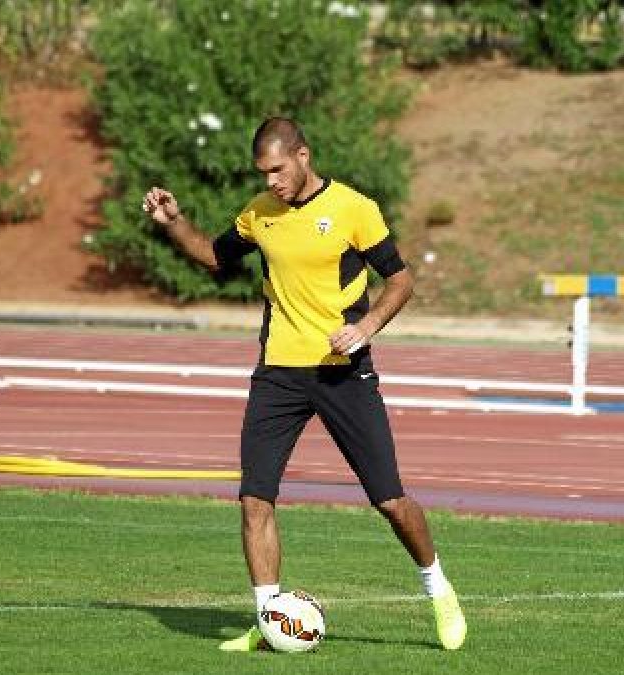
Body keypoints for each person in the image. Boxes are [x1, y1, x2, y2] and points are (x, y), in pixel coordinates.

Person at [141, 117, 466, 651]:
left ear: (303, 156)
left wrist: (365, 327)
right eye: (262, 173)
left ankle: (438, 587)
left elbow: (401, 281)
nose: (271, 181)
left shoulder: (354, 209)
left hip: (343, 375)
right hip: (277, 376)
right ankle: (271, 621)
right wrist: (173, 223)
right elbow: (213, 256)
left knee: (389, 500)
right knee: (254, 500)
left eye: (277, 169)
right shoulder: (258, 214)